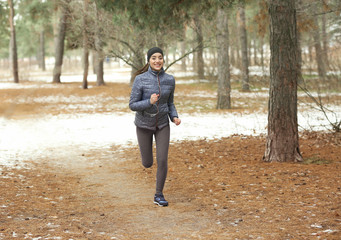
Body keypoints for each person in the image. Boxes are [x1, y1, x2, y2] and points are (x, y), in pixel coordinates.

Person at [129, 47, 181, 207]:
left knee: (163, 159)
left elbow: (170, 102)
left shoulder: (170, 80)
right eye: (154, 58)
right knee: (147, 163)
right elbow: (132, 105)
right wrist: (149, 102)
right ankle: (146, 161)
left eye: (160, 57)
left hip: (162, 124)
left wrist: (174, 116)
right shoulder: (140, 79)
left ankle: (159, 194)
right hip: (144, 125)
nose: (157, 61)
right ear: (149, 60)